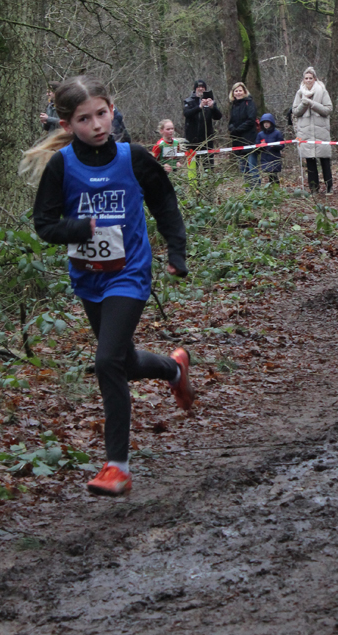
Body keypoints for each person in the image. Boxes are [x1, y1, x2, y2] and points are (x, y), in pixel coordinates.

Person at [20, 74, 196, 498]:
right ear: (67, 124)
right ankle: (173, 368)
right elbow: (44, 224)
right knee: (121, 361)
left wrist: (176, 252)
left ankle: (117, 466)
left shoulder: (133, 157)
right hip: (88, 278)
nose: (97, 125)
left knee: (105, 363)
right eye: (85, 119)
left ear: (112, 110)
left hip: (129, 273)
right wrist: (80, 228)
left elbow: (164, 202)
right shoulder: (62, 166)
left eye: (102, 114)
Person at [292, 67, 333, 193]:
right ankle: (314, 188)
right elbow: (295, 112)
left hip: (321, 132)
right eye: (306, 78)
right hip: (306, 132)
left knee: (325, 161)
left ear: (315, 79)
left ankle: (329, 187)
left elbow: (328, 109)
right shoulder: (299, 93)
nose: (308, 80)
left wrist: (312, 104)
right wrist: (304, 104)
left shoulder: (322, 91)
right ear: (303, 80)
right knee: (310, 162)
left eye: (311, 78)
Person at [183, 79, 222, 171]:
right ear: (195, 89)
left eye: (203, 87)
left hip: (207, 140)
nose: (200, 89)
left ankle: (209, 180)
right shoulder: (188, 101)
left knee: (208, 167)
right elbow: (186, 113)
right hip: (192, 140)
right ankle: (194, 180)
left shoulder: (210, 101)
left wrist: (212, 107)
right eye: (198, 87)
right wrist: (199, 107)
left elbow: (218, 116)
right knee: (193, 168)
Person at [228, 81, 259, 185]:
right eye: (236, 91)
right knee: (244, 169)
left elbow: (251, 120)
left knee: (252, 168)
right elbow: (231, 121)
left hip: (250, 140)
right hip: (238, 141)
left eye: (240, 90)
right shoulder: (233, 106)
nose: (238, 93)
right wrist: (232, 128)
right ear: (233, 93)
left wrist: (238, 129)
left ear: (244, 92)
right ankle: (248, 190)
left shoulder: (249, 103)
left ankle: (257, 189)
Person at [257, 112, 284, 184]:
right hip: (265, 157)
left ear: (271, 123)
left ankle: (276, 188)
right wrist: (261, 146)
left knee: (274, 174)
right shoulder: (260, 134)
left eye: (267, 122)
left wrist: (275, 146)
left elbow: (282, 145)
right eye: (264, 123)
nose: (266, 124)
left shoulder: (277, 133)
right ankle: (272, 187)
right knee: (270, 175)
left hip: (274, 157)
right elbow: (257, 147)